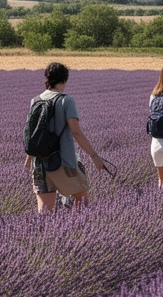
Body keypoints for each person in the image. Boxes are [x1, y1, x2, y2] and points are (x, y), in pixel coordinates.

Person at [24, 62, 106, 211]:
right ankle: (81, 232)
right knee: (82, 203)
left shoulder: (35, 101)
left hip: (40, 163)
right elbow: (76, 131)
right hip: (64, 161)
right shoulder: (66, 100)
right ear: (64, 80)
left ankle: (43, 234)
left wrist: (29, 158)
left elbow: (32, 134)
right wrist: (94, 155)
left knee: (44, 210)